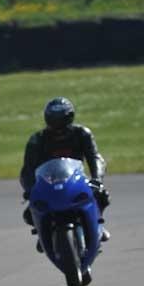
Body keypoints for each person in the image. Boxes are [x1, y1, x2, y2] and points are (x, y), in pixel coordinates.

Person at [20, 97, 111, 250]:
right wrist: (30, 189)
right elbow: (27, 169)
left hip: (76, 181)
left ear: (69, 117)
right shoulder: (37, 140)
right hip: (48, 183)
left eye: (60, 119)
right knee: (30, 213)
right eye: (53, 119)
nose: (57, 125)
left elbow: (95, 158)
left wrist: (96, 179)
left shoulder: (82, 133)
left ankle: (97, 225)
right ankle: (44, 234)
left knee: (102, 195)